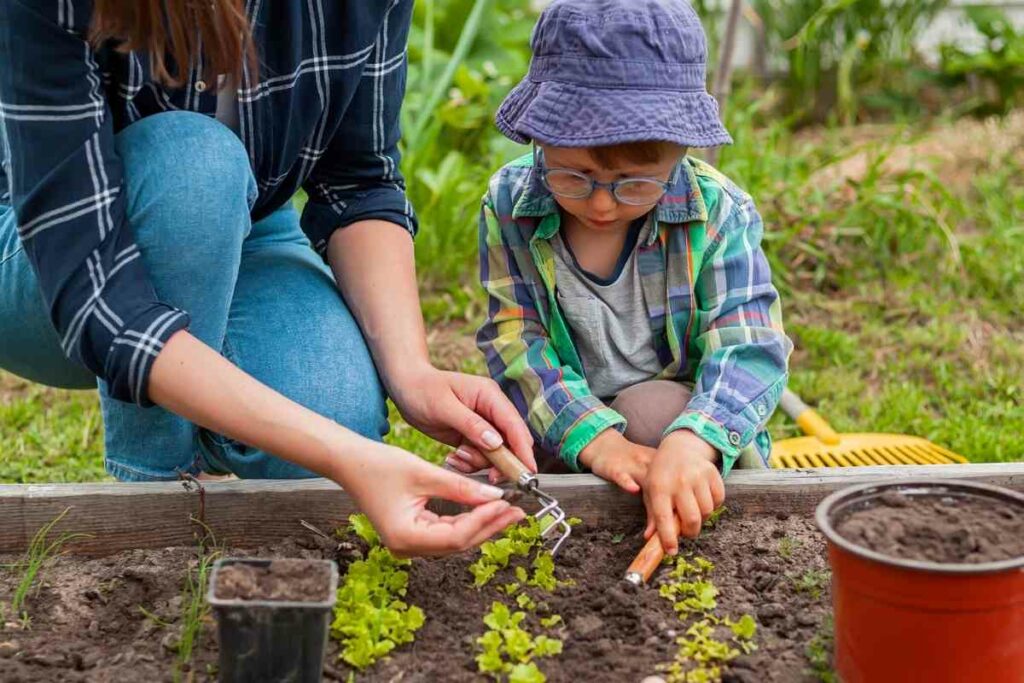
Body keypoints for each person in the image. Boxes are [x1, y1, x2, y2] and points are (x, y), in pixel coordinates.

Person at [0, 1, 534, 556]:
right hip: (45, 245)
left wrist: (413, 373)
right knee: (196, 166)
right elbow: (100, 295)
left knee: (333, 412)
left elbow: (358, 180)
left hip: (247, 221)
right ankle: (155, 499)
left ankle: (209, 401)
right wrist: (345, 458)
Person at [452, 0, 793, 555]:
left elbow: (749, 345)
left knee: (651, 413)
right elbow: (519, 342)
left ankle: (682, 475)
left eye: (635, 184)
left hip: (675, 413)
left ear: (679, 156)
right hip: (570, 413)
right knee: (485, 453)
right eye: (576, 177)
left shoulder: (718, 211)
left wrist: (694, 440)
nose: (604, 205)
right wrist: (597, 440)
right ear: (541, 139)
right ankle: (573, 463)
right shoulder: (511, 203)